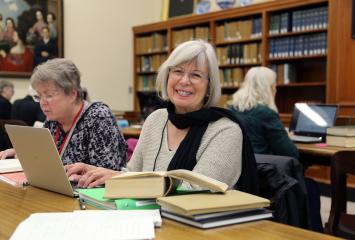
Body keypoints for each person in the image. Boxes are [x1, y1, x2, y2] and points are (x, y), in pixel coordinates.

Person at [65, 40, 258, 192]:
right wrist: (97, 173)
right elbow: (133, 174)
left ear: (209, 86)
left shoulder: (225, 130)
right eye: (178, 71)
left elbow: (197, 190)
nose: (184, 81)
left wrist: (121, 179)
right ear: (167, 76)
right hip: (149, 219)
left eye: (196, 75)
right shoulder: (156, 119)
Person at [0, 58, 127, 171]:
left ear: (72, 94)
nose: (42, 103)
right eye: (39, 96)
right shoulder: (52, 121)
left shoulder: (99, 118)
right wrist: (25, 154)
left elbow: (106, 177)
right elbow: (48, 162)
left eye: (49, 95)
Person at [229, 66, 299, 160]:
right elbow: (291, 154)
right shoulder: (266, 114)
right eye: (274, 86)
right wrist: (285, 138)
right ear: (268, 88)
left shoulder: (231, 109)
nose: (276, 90)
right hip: (263, 171)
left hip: (237, 170)